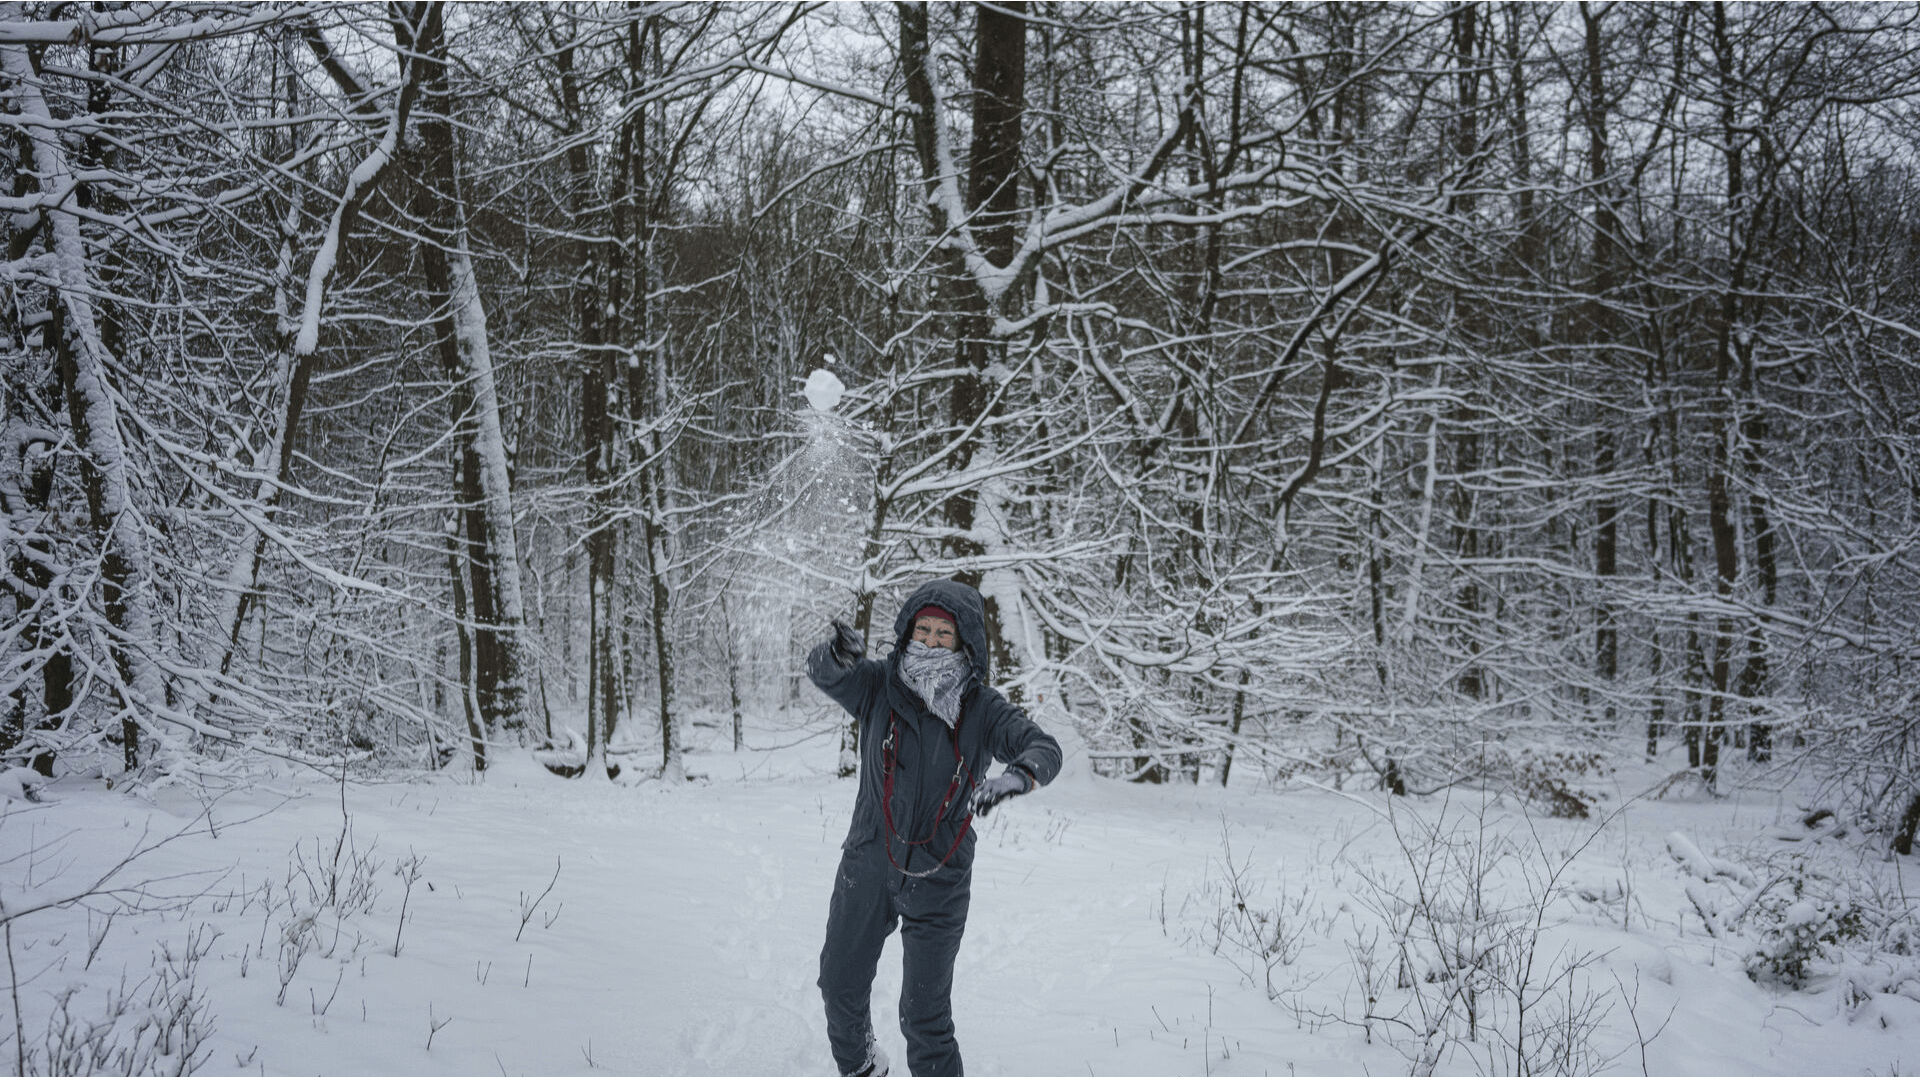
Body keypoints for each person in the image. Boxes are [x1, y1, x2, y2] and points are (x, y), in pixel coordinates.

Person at [807, 578, 1062, 1077]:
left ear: (965, 641)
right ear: (906, 632)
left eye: (944, 633)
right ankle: (861, 1068)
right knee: (839, 985)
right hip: (869, 860)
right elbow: (827, 674)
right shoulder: (878, 685)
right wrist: (836, 656)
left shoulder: (982, 708)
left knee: (924, 1019)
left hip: (939, 877)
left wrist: (1018, 775)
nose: (930, 640)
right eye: (922, 629)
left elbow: (1043, 746)